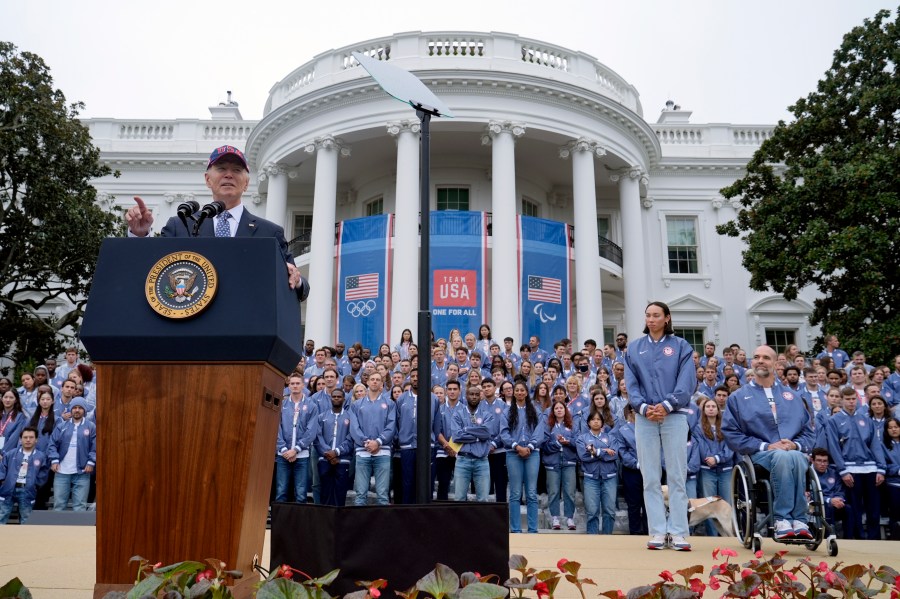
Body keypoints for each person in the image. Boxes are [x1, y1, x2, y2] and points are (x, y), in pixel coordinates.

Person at [124, 145, 309, 298]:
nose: (229, 175)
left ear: (246, 183)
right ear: (208, 180)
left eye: (236, 170)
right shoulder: (181, 224)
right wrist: (140, 236)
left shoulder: (269, 232)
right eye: (221, 169)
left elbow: (301, 287)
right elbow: (154, 273)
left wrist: (296, 279)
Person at [722, 345, 815, 541]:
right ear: (751, 362)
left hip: (790, 453)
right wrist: (767, 446)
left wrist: (794, 445)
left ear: (776, 363)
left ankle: (799, 520)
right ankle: (782, 519)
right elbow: (731, 432)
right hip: (759, 454)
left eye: (766, 357)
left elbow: (808, 431)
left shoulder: (794, 397)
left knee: (796, 456)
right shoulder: (738, 397)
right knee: (782, 456)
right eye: (756, 357)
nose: (760, 360)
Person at [623, 301, 695, 551]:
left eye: (656, 315)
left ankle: (678, 532)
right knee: (650, 476)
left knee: (676, 475)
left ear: (667, 318)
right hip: (644, 418)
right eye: (648, 316)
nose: (651, 319)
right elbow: (631, 384)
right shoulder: (634, 349)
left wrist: (666, 405)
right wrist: (643, 408)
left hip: (674, 417)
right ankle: (657, 531)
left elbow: (686, 383)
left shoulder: (681, 346)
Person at [824, 386, 885, 540]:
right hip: (850, 470)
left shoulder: (866, 419)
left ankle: (874, 539)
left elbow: (875, 444)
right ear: (842, 400)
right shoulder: (833, 421)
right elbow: (834, 447)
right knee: (855, 508)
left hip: (870, 468)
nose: (851, 402)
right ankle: (858, 539)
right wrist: (843, 470)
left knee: (874, 508)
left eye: (853, 399)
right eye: (848, 399)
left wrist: (881, 468)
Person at [501, 381, 543, 533]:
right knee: (515, 493)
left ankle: (532, 530)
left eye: (522, 390)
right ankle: (516, 529)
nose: (519, 392)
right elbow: (504, 433)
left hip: (532, 454)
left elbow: (539, 432)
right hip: (513, 454)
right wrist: (517, 447)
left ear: (526, 393)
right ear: (513, 393)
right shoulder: (507, 412)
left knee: (531, 492)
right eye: (516, 390)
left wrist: (530, 447)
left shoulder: (536, 411)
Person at [349, 372, 395, 505]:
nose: (375, 382)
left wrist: (378, 442)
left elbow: (391, 426)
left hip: (383, 452)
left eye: (378, 380)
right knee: (360, 495)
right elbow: (354, 427)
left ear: (382, 384)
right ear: (367, 382)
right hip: (363, 452)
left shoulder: (390, 403)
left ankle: (383, 526)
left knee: (382, 495)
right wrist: (366, 442)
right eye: (372, 379)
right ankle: (360, 525)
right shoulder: (357, 404)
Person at [275, 373, 319, 504]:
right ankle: (281, 523)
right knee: (281, 491)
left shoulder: (311, 406)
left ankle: (300, 524)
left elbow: (311, 431)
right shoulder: (281, 404)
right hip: (283, 454)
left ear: (303, 385)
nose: (295, 386)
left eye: (297, 383)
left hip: (302, 455)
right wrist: (284, 449)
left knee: (301, 493)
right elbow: (277, 428)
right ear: (288, 386)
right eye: (292, 384)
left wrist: (296, 449)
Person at [694, 396, 735, 536]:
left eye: (713, 407)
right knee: (709, 505)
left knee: (726, 504)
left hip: (725, 470)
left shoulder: (726, 427)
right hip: (707, 470)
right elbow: (701, 447)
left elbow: (730, 447)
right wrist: (709, 459)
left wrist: (717, 458)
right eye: (708, 407)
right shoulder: (698, 429)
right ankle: (712, 537)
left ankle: (728, 537)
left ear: (718, 410)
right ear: (703, 410)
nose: (711, 409)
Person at [47, 398, 96, 511]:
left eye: (80, 408)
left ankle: (79, 529)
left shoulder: (91, 426)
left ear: (84, 410)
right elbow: (52, 444)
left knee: (80, 507)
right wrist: (54, 460)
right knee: (59, 505)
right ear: (70, 409)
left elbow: (95, 446)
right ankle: (59, 529)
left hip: (82, 472)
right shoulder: (62, 426)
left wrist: (91, 462)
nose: (77, 410)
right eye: (74, 407)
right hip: (61, 472)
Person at [577, 407, 619, 534]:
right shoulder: (582, 438)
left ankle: (607, 538)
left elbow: (615, 455)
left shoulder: (611, 438)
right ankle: (592, 540)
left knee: (609, 511)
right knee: (592, 511)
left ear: (602, 423)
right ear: (588, 422)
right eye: (593, 419)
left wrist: (596, 451)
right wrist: (604, 451)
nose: (596, 422)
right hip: (591, 478)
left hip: (609, 477)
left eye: (598, 420)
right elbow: (583, 457)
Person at [451, 385, 494, 502]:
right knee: (459, 498)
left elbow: (486, 433)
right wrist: (478, 437)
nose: (474, 397)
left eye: (476, 394)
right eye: (471, 394)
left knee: (483, 499)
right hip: (462, 460)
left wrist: (465, 429)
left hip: (482, 461)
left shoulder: (487, 415)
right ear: (466, 396)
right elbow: (456, 436)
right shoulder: (457, 414)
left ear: (480, 397)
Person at [0, 427, 50, 524]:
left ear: (36, 440)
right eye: (25, 437)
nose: (28, 440)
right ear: (20, 439)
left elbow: (43, 473)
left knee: (26, 518)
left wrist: (34, 485)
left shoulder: (41, 456)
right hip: (8, 490)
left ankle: (25, 539)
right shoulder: (10, 454)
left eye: (31, 437)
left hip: (28, 491)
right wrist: (3, 482)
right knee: (2, 515)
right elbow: (2, 469)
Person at [612, 404, 647, 535]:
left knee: (650, 503)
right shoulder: (623, 430)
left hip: (650, 470)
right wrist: (636, 464)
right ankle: (636, 532)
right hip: (632, 471)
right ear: (631, 412)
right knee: (634, 504)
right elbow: (622, 451)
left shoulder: (650, 427)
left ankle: (651, 531)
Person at [542, 399, 577, 530]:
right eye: (556, 408)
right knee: (553, 491)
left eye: (561, 408)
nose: (559, 410)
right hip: (552, 463)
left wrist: (568, 442)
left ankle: (569, 518)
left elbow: (578, 442)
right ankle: (555, 517)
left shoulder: (572, 425)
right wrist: (557, 444)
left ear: (565, 410)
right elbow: (543, 445)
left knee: (569, 492)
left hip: (569, 462)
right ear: (553, 411)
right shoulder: (548, 426)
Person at [315, 388, 353, 506]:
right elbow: (317, 437)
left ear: (344, 399)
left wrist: (336, 452)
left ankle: (338, 521)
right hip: (325, 459)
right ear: (330, 398)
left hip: (342, 460)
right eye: (334, 396)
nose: (336, 398)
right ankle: (325, 521)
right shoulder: (322, 416)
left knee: (340, 494)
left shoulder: (350, 417)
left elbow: (351, 438)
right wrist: (329, 454)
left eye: (339, 397)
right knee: (325, 492)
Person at [811, 447, 855, 539]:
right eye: (819, 461)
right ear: (812, 460)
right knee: (828, 507)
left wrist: (839, 499)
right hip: (816, 506)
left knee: (848, 509)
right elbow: (809, 494)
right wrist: (829, 500)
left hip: (834, 502)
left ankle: (849, 539)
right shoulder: (808, 474)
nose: (822, 464)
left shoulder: (833, 473)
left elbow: (840, 490)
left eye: (825, 461)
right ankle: (829, 537)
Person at [0, 389, 28, 455]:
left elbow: (14, 438)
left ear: (15, 400)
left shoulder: (20, 416)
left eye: (11, 397)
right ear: (1, 399)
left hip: (8, 454)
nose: (8, 400)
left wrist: (3, 453)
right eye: (5, 397)